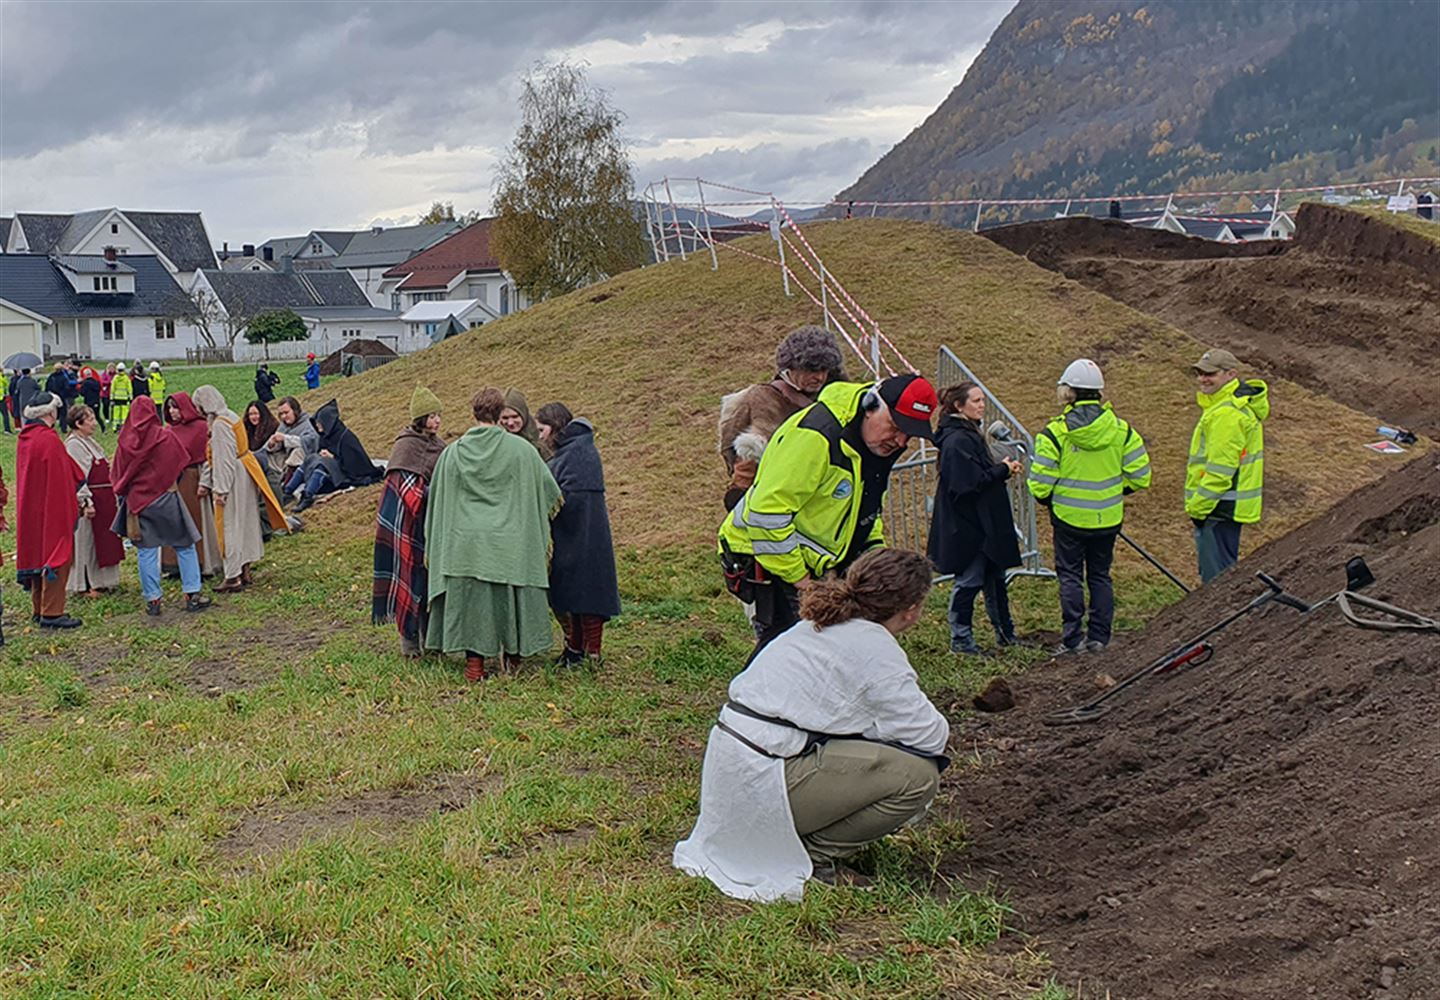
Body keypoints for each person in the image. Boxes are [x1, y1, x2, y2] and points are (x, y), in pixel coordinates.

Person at [673, 547, 950, 900]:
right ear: (911, 611)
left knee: (870, 750)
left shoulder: (819, 623)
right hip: (764, 777)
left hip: (735, 774)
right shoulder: (874, 647)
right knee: (917, 776)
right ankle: (815, 856)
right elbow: (929, 736)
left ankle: (791, 839)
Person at [718, 372, 939, 661]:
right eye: (896, 427)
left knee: (826, 649)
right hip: (767, 556)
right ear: (870, 407)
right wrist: (804, 581)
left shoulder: (875, 444)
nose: (900, 441)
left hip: (815, 565)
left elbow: (866, 511)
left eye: (910, 433)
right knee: (789, 650)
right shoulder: (816, 436)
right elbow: (766, 514)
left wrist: (874, 559)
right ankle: (750, 702)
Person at [424, 387, 562, 681]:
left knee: (473, 604)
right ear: (500, 414)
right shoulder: (523, 451)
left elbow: (437, 501)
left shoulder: (452, 453)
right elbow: (550, 493)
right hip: (509, 543)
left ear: (473, 414)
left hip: (465, 546)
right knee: (509, 599)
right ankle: (512, 660)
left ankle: (474, 666)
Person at [1027, 359, 1152, 655]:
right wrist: (1114, 491)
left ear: (1067, 393)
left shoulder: (1055, 434)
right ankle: (1100, 637)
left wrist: (1050, 499)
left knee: (1070, 576)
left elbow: (1040, 484)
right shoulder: (1122, 431)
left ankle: (1072, 639)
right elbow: (1141, 476)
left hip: (1068, 519)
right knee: (1100, 576)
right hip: (1107, 519)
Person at [928, 383, 1024, 654]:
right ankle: (961, 641)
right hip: (970, 526)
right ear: (959, 406)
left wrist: (1000, 469)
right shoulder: (957, 440)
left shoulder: (966, 434)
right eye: (976, 400)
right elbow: (965, 485)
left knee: (995, 579)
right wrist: (1001, 471)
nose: (982, 405)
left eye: (982, 400)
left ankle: (1006, 634)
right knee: (969, 583)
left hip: (984, 523)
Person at [718, 325, 846, 510]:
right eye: (811, 369)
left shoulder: (838, 393)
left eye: (824, 370)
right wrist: (741, 490)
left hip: (829, 494)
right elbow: (744, 453)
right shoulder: (764, 399)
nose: (819, 377)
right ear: (791, 367)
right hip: (779, 495)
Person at [535, 402, 621, 665]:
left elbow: (569, 496)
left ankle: (590, 650)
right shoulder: (573, 450)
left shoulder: (579, 453)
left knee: (586, 589)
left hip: (583, 533)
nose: (540, 435)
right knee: (575, 590)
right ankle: (577, 647)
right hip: (573, 531)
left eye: (542, 429)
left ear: (555, 427)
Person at [111, 398, 213, 617]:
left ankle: (153, 599)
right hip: (166, 498)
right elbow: (179, 463)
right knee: (184, 545)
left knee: (147, 551)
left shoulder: (125, 441)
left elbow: (118, 473)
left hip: (139, 501)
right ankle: (192, 594)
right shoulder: (165, 436)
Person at [372, 386, 447, 658]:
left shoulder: (439, 445)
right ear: (420, 418)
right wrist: (436, 491)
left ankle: (432, 639)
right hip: (403, 522)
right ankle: (410, 643)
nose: (437, 421)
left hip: (429, 522)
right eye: (431, 416)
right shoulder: (405, 445)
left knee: (427, 580)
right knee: (408, 578)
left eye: (439, 415)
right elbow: (407, 491)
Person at [192, 385, 286, 592]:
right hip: (244, 472)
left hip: (233, 478)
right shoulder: (231, 416)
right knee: (245, 522)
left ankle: (233, 575)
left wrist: (220, 491)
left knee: (230, 526)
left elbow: (224, 459)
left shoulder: (220, 425)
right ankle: (245, 568)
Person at [1186, 348, 1269, 584]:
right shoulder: (1228, 407)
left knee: (1216, 583)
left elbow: (1220, 470)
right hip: (1226, 507)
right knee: (1225, 577)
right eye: (1200, 373)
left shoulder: (1227, 415)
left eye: (1210, 374)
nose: (1203, 379)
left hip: (1217, 509)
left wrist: (1199, 508)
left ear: (1231, 374)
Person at [15, 392, 86, 628]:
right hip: (50, 506)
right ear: (49, 412)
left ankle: (39, 608)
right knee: (57, 552)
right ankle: (52, 612)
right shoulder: (48, 439)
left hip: (31, 506)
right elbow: (63, 475)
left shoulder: (26, 438)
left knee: (37, 552)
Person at [64, 404, 125, 596]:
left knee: (104, 541)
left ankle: (103, 580)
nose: (93, 423)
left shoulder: (89, 441)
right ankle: (86, 583)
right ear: (78, 423)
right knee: (86, 542)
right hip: (91, 501)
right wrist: (86, 502)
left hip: (104, 499)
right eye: (89, 420)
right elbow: (77, 476)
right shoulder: (74, 445)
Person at [291, 399, 381, 513]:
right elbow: (319, 451)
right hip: (330, 473)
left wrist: (332, 457)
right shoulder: (325, 436)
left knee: (322, 464)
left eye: (320, 422)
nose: (317, 425)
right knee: (310, 459)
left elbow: (354, 463)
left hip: (344, 473)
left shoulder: (346, 438)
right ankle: (288, 490)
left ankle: (308, 496)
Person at [162, 392, 214, 578]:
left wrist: (204, 482)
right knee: (174, 523)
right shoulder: (168, 430)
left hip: (192, 479)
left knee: (196, 521)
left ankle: (201, 562)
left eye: (175, 407)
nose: (172, 411)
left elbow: (207, 456)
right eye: (169, 408)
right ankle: (173, 564)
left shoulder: (200, 427)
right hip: (172, 481)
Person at [243, 400, 284, 536]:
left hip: (271, 466)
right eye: (251, 414)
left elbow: (272, 450)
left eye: (256, 413)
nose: (253, 417)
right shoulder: (247, 430)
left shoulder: (273, 427)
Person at [498, 387, 547, 455]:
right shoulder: (497, 438)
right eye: (505, 418)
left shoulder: (542, 433)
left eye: (515, 416)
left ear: (524, 413)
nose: (510, 423)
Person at [45, 363, 74, 431]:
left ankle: (51, 426)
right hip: (61, 397)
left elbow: (47, 386)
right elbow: (67, 387)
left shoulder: (51, 376)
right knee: (63, 413)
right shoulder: (63, 377)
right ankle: (63, 427)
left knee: (53, 412)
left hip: (52, 396)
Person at [78, 367, 104, 431]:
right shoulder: (96, 382)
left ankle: (89, 428)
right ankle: (103, 428)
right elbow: (99, 389)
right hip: (96, 401)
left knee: (88, 416)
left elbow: (82, 393)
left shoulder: (85, 383)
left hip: (88, 401)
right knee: (97, 416)